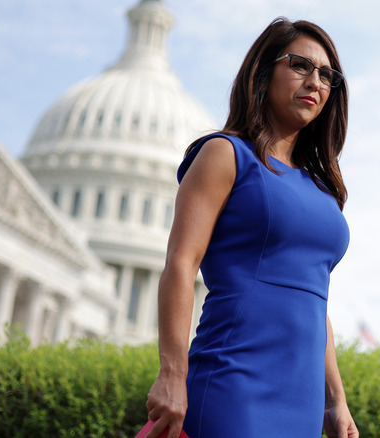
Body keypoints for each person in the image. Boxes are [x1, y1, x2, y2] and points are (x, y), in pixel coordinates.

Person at [144, 17, 358, 438]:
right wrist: (172, 371)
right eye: (299, 65)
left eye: (326, 74)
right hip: (234, 382)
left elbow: (314, 298)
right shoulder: (226, 154)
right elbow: (181, 262)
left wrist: (336, 400)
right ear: (263, 72)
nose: (315, 81)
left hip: (302, 401)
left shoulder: (322, 190)